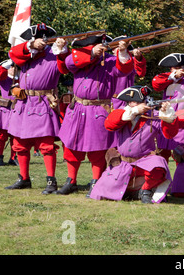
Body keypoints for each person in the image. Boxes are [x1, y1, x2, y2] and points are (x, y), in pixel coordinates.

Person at [56, 33, 134, 196]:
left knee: (97, 150)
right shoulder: (79, 57)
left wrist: (124, 51)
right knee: (71, 148)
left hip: (99, 109)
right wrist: (92, 54)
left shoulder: (111, 61)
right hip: (77, 108)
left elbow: (125, 69)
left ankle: (96, 181)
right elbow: (68, 63)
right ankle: (71, 180)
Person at [5, 23, 68, 194]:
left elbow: (65, 65)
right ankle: (24, 178)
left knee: (46, 145)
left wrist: (62, 50)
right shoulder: (27, 53)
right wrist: (31, 45)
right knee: (20, 144)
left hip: (43, 101)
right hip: (24, 102)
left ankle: (51, 181)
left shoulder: (54, 53)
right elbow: (13, 53)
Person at [91, 85, 176, 204]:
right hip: (123, 163)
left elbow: (169, 134)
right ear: (130, 103)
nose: (142, 104)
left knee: (158, 164)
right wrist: (135, 111)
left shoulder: (153, 116)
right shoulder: (122, 113)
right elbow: (109, 124)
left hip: (145, 162)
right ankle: (135, 192)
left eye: (142, 101)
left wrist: (167, 116)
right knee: (103, 189)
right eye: (136, 102)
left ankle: (146, 191)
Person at [151, 53, 184, 162]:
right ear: (171, 69)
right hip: (167, 118)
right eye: (176, 68)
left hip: (181, 119)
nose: (180, 70)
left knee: (181, 154)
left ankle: (180, 178)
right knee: (162, 154)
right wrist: (174, 76)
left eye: (181, 67)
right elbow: (156, 84)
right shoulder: (167, 77)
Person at [111, 36, 147, 110]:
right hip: (113, 100)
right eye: (119, 47)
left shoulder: (131, 61)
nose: (122, 49)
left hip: (130, 100)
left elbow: (140, 72)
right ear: (113, 50)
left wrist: (138, 57)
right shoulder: (109, 61)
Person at [0, 59, 17, 166]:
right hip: (5, 110)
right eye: (11, 67)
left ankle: (13, 157)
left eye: (14, 67)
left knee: (15, 136)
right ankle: (0, 157)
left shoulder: (20, 80)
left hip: (16, 110)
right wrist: (9, 62)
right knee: (2, 136)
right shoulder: (3, 79)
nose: (13, 69)